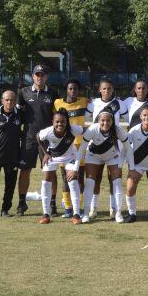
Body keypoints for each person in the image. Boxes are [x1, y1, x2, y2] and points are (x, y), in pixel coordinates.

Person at [75, 106, 134, 224]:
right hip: (93, 156)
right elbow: (82, 149)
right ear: (98, 120)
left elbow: (128, 148)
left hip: (112, 156)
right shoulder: (92, 129)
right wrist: (75, 168)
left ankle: (118, 213)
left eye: (108, 120)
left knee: (117, 182)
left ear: (112, 121)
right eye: (102, 120)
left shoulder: (118, 130)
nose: (105, 123)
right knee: (91, 182)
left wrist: (131, 168)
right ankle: (87, 213)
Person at [16, 65, 59, 216]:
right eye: (37, 74)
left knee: (50, 172)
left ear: (46, 77)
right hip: (28, 137)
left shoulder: (53, 93)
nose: (40, 77)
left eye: (43, 75)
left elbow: (57, 117)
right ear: (32, 76)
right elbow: (18, 115)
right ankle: (22, 203)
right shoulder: (23, 92)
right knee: (24, 170)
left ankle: (52, 203)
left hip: (47, 140)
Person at [84, 76, 128, 219]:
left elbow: (130, 120)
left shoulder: (120, 104)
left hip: (113, 147)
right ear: (99, 90)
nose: (107, 91)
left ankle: (113, 208)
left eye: (109, 88)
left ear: (113, 89)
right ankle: (93, 208)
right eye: (104, 88)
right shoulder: (93, 103)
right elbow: (82, 116)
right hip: (95, 145)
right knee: (95, 179)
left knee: (113, 179)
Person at [123, 78, 148, 219]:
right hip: (135, 147)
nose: (141, 90)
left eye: (144, 88)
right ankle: (131, 213)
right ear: (134, 89)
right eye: (138, 88)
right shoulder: (127, 101)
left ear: (147, 89)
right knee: (131, 184)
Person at [37, 109, 84, 225]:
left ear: (67, 122)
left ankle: (76, 214)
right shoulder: (47, 132)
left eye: (63, 121)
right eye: (57, 122)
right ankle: (46, 214)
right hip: (52, 157)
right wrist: (45, 154)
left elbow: (87, 131)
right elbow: (38, 137)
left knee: (72, 182)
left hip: (70, 157)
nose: (60, 124)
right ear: (53, 122)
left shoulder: (74, 129)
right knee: (45, 182)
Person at [53, 78, 90, 218]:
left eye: (75, 88)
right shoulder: (57, 103)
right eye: (70, 88)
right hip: (65, 147)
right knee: (65, 178)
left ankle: (78, 207)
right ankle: (67, 208)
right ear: (66, 90)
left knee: (80, 177)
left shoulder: (84, 102)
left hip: (80, 147)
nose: (73, 91)